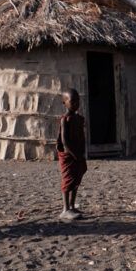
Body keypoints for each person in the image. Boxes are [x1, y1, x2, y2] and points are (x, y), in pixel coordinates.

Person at [56, 89, 87, 220]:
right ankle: (65, 209)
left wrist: (82, 152)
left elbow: (82, 137)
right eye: (72, 101)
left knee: (77, 179)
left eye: (77, 101)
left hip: (78, 154)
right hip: (69, 155)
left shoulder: (79, 119)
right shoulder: (65, 120)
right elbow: (64, 141)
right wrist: (74, 154)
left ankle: (72, 205)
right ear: (64, 103)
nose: (76, 104)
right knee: (68, 180)